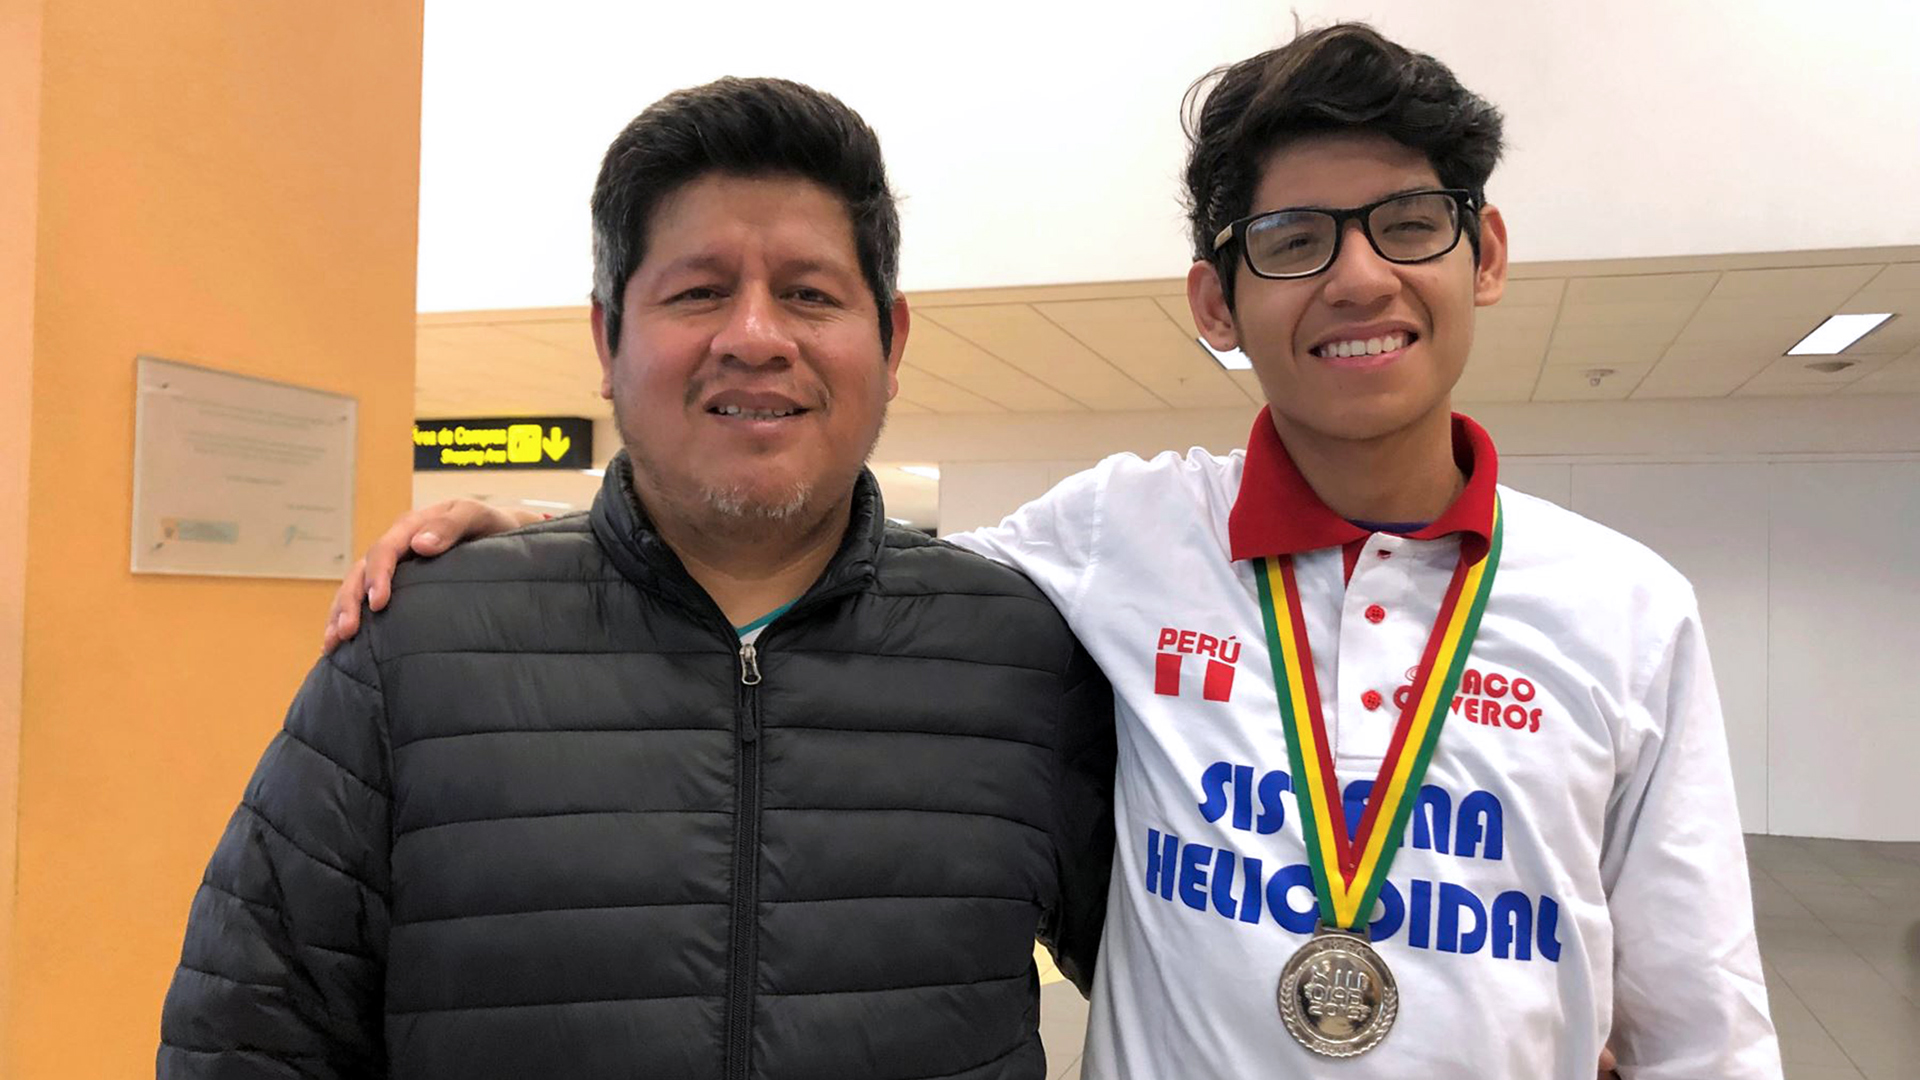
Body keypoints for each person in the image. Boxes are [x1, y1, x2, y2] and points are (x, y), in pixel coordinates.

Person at [330, 25, 1781, 1079]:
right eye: (1294, 238)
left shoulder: (1625, 611)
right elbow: (833, 559)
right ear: (1217, 300)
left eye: (1411, 223)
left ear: (1488, 254)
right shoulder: (1118, 535)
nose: (1358, 276)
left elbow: (1708, 1032)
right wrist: (554, 523)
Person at [158, 77, 1117, 1080]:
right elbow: (248, 1039)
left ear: (893, 340)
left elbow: (1190, 977)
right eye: (699, 292)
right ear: (607, 342)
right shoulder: (411, 655)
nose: (756, 337)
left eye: (811, 293)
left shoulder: (1022, 655)